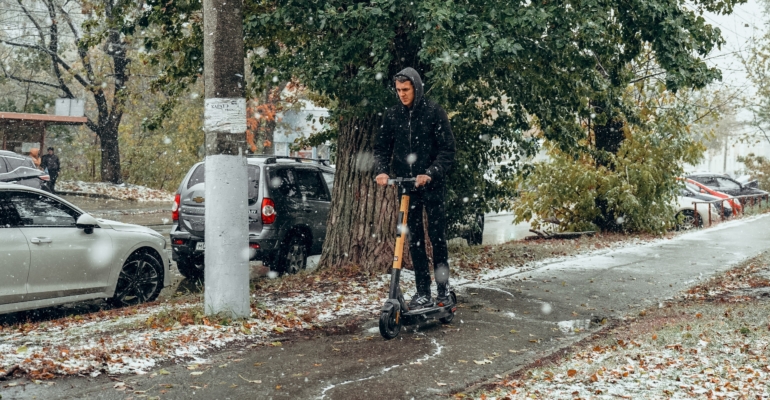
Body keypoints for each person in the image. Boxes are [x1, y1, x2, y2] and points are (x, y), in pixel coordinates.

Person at [374, 67, 456, 310]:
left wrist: (430, 173)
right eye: (398, 90)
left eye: (406, 90)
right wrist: (381, 171)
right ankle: (423, 291)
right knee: (415, 240)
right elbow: (380, 148)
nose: (402, 94)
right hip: (407, 187)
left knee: (437, 236)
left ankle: (443, 289)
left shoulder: (433, 112)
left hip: (432, 184)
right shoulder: (392, 116)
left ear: (416, 88)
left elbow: (447, 150)